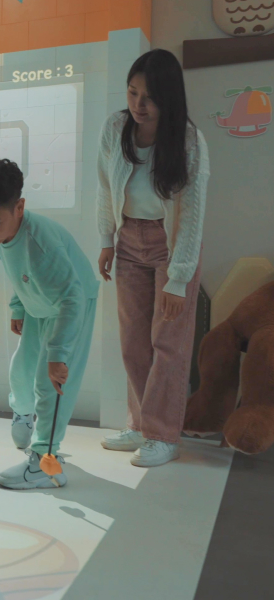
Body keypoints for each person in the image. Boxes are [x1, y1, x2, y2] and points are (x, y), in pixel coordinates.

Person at [96, 49, 210, 467]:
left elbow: (192, 213)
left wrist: (178, 279)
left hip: (171, 244)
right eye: (132, 92)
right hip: (128, 238)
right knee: (133, 341)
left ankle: (163, 435)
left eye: (149, 97)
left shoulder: (189, 140)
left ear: (169, 98)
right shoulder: (116, 127)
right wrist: (106, 239)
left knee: (168, 343)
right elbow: (104, 184)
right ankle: (142, 423)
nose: (138, 105)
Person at [0, 158, 100, 490]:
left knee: (50, 383)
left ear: (19, 207)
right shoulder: (3, 235)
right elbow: (20, 273)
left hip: (71, 306)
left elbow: (72, 298)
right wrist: (19, 306)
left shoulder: (40, 243)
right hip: (40, 303)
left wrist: (59, 354)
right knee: (22, 371)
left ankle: (45, 463)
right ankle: (25, 415)